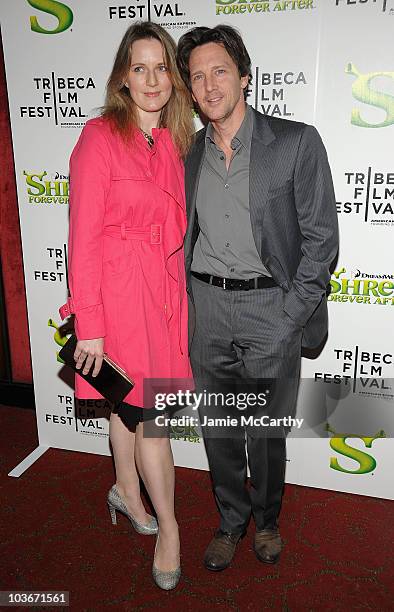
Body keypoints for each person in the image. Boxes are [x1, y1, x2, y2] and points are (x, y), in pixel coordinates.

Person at [177, 25, 339, 570]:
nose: (208, 84)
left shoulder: (295, 142)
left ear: (244, 76)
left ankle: (266, 520)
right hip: (208, 309)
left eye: (219, 70)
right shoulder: (188, 152)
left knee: (266, 434)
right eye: (197, 77)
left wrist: (290, 316)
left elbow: (322, 240)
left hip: (271, 309)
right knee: (220, 430)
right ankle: (230, 520)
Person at [61, 22, 193, 590]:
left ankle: (127, 492)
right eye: (139, 67)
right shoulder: (98, 137)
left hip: (161, 295)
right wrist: (89, 326)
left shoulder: (171, 141)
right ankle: (170, 530)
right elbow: (82, 237)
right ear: (122, 78)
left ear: (173, 78)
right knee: (151, 418)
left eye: (161, 66)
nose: (152, 78)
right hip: (116, 301)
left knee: (125, 408)